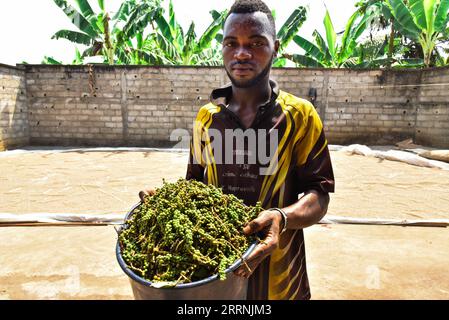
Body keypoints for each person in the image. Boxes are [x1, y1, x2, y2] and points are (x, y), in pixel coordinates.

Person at [140, 0, 335, 300]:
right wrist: (167, 203)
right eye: (232, 43)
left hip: (281, 282)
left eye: (256, 42)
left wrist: (281, 217)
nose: (242, 53)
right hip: (216, 278)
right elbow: (194, 188)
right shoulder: (207, 118)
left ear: (276, 47)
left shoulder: (300, 116)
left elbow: (319, 196)